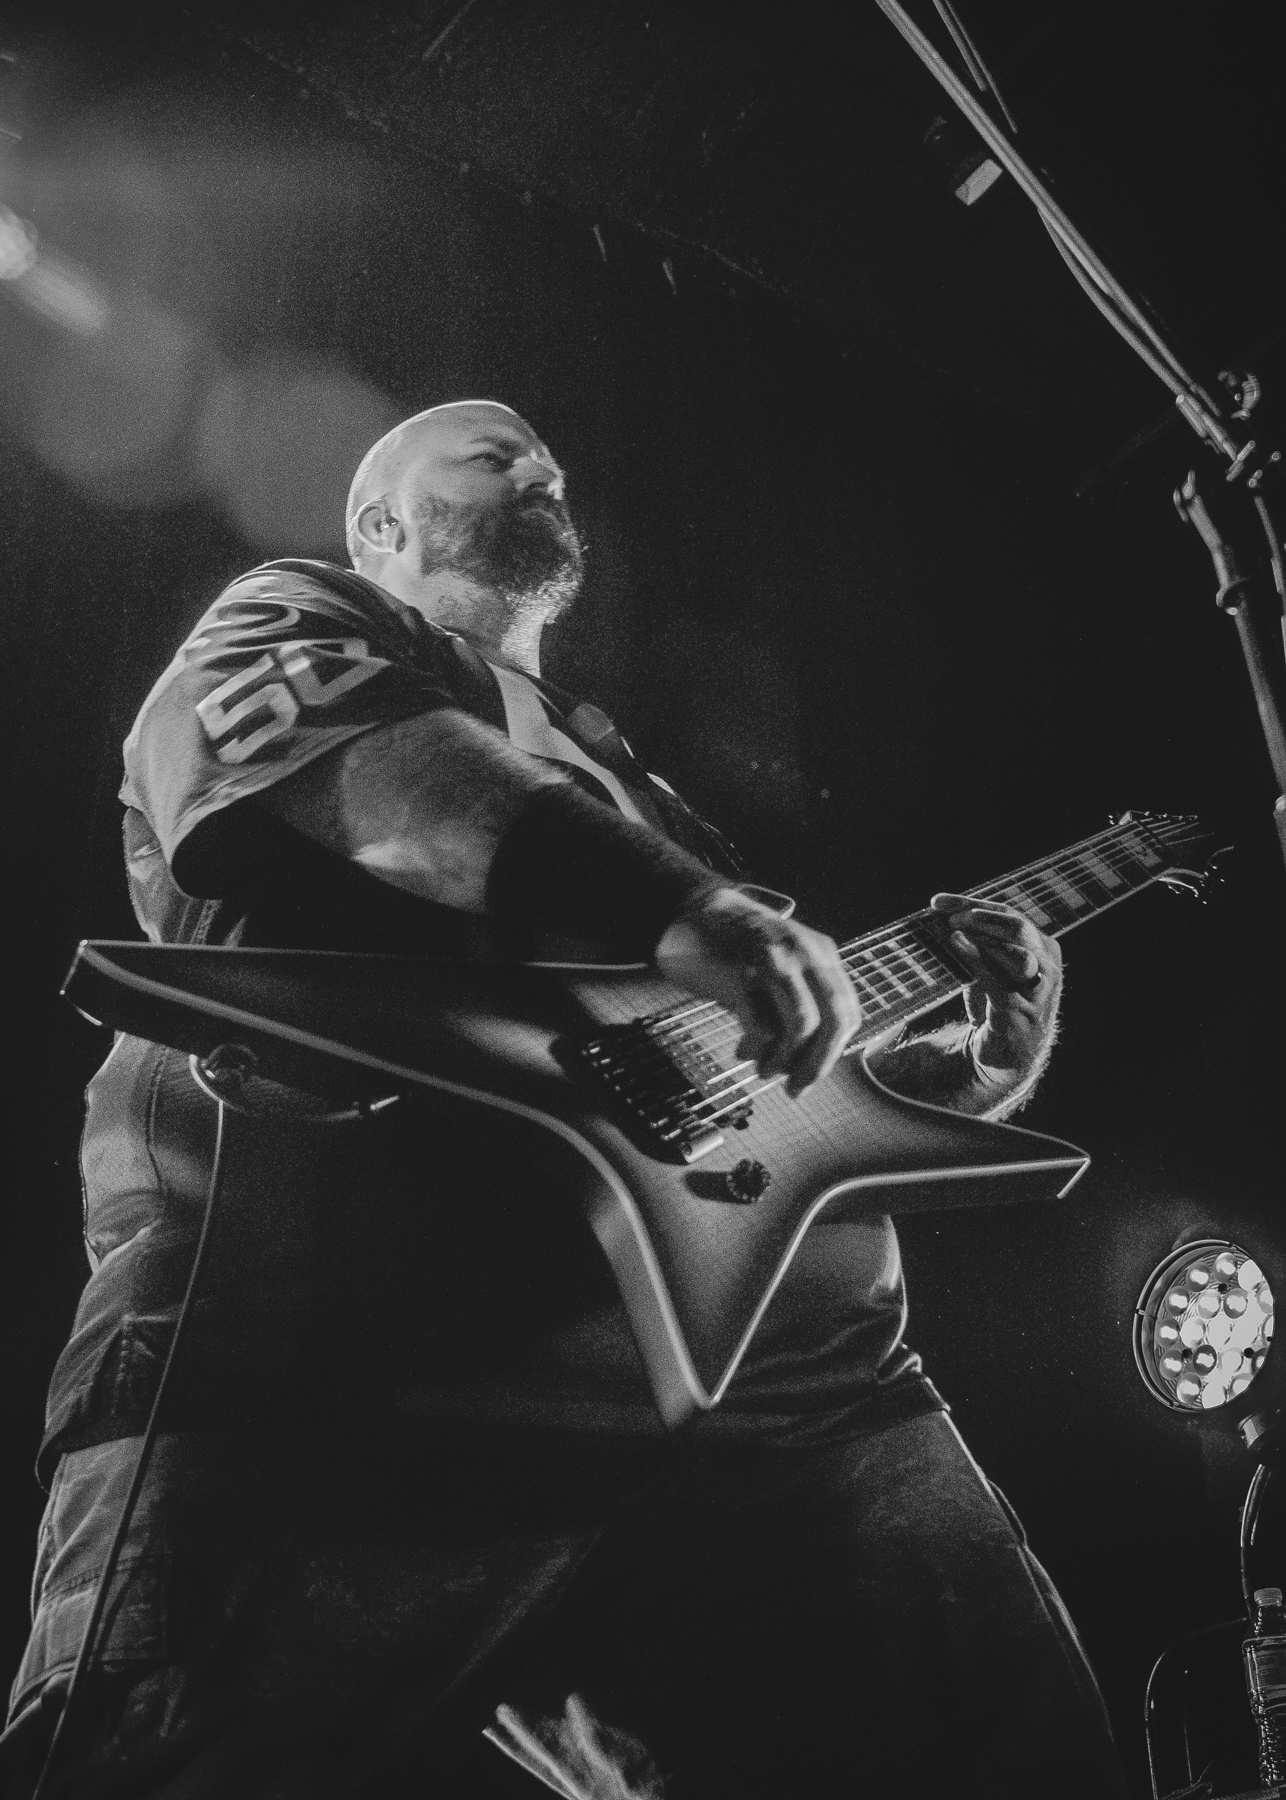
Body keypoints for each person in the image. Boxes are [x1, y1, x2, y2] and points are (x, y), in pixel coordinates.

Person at [0, 401, 1128, 1798]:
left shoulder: (645, 796)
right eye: (491, 455)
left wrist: (965, 1072)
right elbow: (340, 765)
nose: (540, 468)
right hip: (349, 1364)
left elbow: (763, 1095)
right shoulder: (301, 610)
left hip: (780, 1393)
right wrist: (673, 906)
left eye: (550, 463)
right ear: (378, 521)